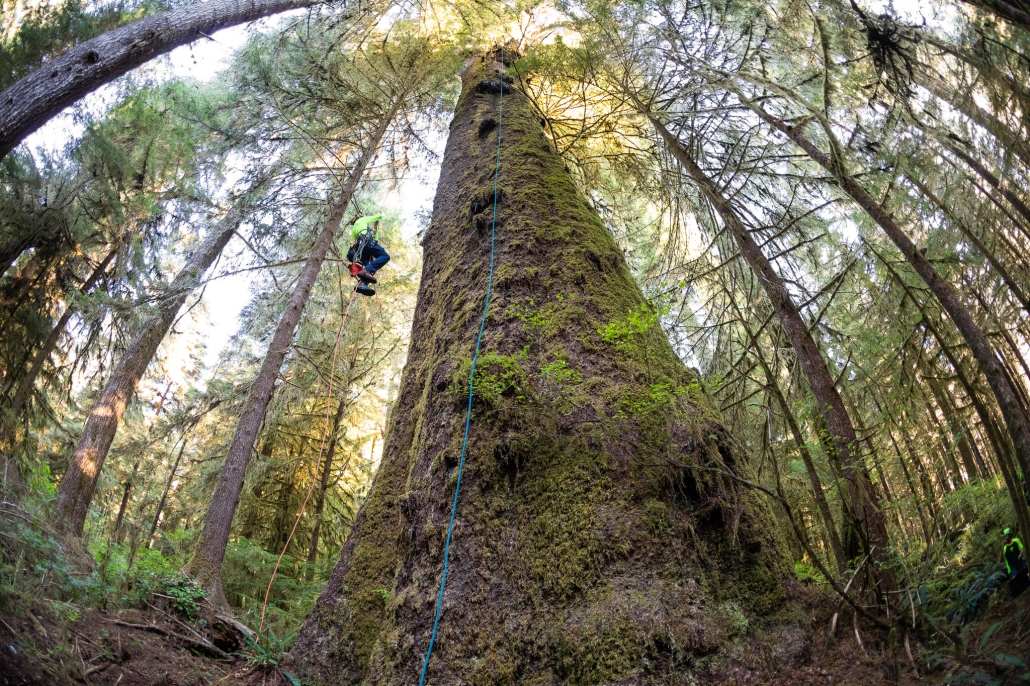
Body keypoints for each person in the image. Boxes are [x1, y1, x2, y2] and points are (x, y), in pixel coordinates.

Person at [348, 213, 390, 296]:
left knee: (370, 267)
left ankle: (361, 285)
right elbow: (378, 216)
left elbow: (375, 239)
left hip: (360, 249)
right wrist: (379, 214)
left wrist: (375, 227)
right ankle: (365, 271)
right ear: (358, 218)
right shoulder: (361, 220)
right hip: (366, 242)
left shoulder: (356, 229)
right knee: (385, 257)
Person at [1000, 528, 1029, 598]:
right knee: (1015, 580)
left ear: (1010, 535)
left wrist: (1020, 554)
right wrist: (1002, 547)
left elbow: (1022, 549)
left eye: (1006, 535)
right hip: (1012, 568)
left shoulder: (1016, 541)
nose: (1005, 537)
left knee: (1026, 571)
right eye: (1004, 536)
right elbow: (1000, 561)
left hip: (1020, 562)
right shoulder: (1004, 548)